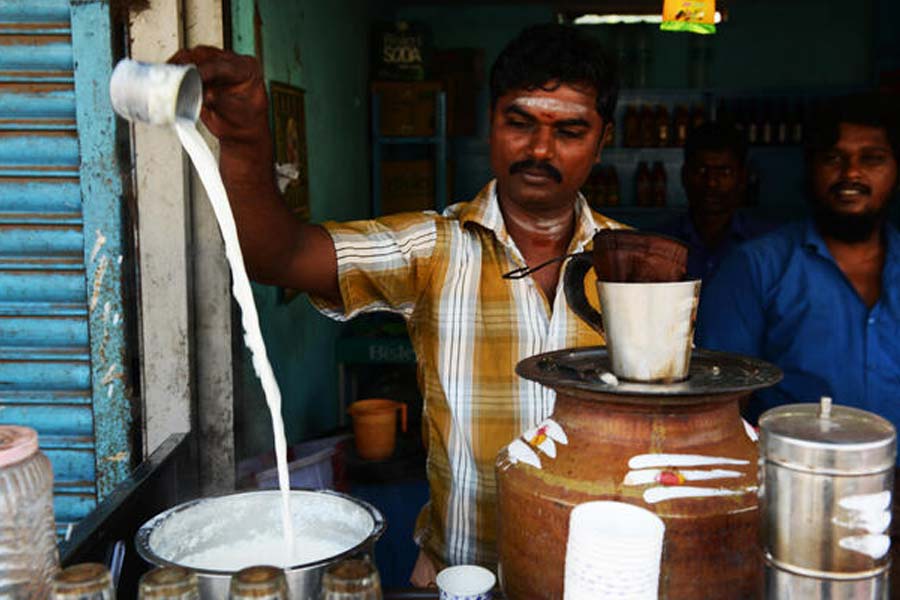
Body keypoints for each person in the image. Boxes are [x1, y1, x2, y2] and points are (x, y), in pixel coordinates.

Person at [171, 24, 625, 585]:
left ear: (602, 141)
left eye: (570, 131)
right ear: (491, 124)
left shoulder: (635, 272)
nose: (539, 149)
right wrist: (245, 142)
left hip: (598, 577)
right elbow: (279, 256)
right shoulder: (434, 249)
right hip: (460, 576)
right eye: (519, 123)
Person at [695, 94, 900, 426]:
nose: (852, 173)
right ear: (810, 167)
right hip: (790, 472)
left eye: (872, 159)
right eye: (834, 158)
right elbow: (718, 404)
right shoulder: (754, 267)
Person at [653, 121, 770, 281]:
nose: (711, 182)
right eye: (701, 170)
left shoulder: (765, 245)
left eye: (724, 172)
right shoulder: (657, 245)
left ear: (742, 178)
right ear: (684, 176)